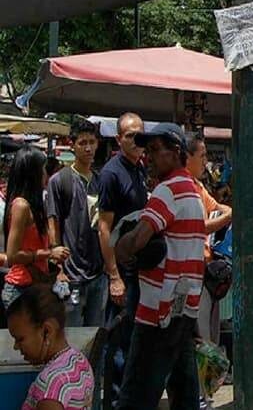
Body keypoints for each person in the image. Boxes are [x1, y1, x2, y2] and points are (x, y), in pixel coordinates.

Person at [114, 123, 206, 410]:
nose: (148, 157)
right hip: (184, 307)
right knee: (184, 393)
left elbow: (138, 239)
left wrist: (121, 247)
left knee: (136, 396)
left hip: (158, 310)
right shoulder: (192, 190)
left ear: (176, 152)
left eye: (155, 150)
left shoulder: (167, 191)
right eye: (148, 151)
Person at [97, 112, 147, 408]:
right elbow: (104, 228)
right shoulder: (111, 173)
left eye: (139, 134)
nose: (136, 140)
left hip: (139, 269)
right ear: (118, 139)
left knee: (132, 342)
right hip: (122, 273)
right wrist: (114, 276)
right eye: (130, 135)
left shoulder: (140, 168)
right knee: (118, 343)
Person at [45, 118, 106, 327]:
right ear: (73, 145)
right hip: (71, 275)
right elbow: (53, 222)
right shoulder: (59, 180)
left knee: (95, 333)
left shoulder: (100, 180)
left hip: (98, 273)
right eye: (82, 143)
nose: (88, 148)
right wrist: (59, 269)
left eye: (92, 142)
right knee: (71, 334)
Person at [8, 284, 94, 410]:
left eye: (20, 339)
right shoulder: (79, 360)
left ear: (47, 331)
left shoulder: (51, 385)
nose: (15, 347)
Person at [3, 148, 70, 309]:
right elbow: (12, 255)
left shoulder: (35, 204)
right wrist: (49, 253)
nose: (46, 174)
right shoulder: (21, 206)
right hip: (21, 289)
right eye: (43, 169)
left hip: (36, 285)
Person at [185, 133, 232, 345]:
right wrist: (228, 217)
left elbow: (217, 207)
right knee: (201, 338)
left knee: (211, 335)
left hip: (207, 268)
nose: (206, 162)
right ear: (187, 157)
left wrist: (227, 213)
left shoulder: (198, 185)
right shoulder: (184, 188)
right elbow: (198, 227)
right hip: (191, 273)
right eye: (202, 156)